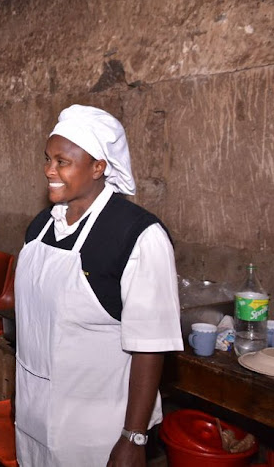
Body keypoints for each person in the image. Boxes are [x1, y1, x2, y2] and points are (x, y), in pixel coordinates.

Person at [14, 105, 183, 466]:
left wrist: (133, 438)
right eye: (47, 159)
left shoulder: (137, 235)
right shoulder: (41, 227)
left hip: (95, 427)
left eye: (62, 161)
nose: (49, 171)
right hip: (35, 412)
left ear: (98, 167)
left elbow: (150, 346)